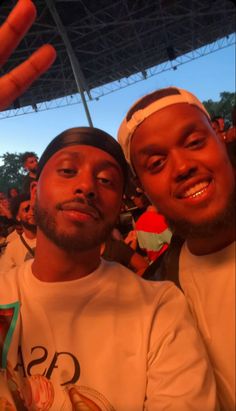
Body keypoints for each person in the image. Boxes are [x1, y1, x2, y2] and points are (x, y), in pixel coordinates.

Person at [0, 127, 217, 410]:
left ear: (118, 208)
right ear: (35, 189)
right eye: (67, 171)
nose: (87, 186)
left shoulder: (159, 309)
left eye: (106, 180)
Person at [118, 86, 235, 411]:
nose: (183, 167)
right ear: (141, 187)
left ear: (219, 136)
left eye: (195, 143)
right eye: (156, 163)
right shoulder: (160, 300)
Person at [0, 193, 36, 272]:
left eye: (34, 209)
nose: (32, 213)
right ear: (18, 217)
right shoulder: (12, 247)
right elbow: (4, 277)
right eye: (26, 209)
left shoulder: (52, 238)